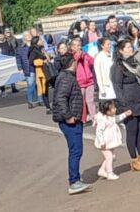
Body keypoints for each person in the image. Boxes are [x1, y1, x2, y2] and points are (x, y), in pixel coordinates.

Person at [112, 39, 140, 171]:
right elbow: (117, 87)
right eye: (127, 47)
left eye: (131, 47)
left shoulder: (136, 62)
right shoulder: (118, 66)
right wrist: (124, 106)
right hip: (128, 101)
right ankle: (134, 159)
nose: (130, 49)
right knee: (132, 131)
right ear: (121, 51)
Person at [51, 52, 89, 195]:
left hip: (72, 118)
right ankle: (74, 181)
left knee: (76, 150)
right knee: (75, 150)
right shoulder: (66, 78)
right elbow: (61, 98)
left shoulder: (65, 77)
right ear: (72, 64)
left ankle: (75, 179)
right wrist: (68, 116)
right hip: (69, 120)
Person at [93, 100, 132, 181]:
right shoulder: (102, 120)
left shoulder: (111, 117)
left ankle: (102, 170)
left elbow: (117, 119)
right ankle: (110, 173)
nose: (115, 109)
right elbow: (99, 132)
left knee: (111, 156)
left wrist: (125, 114)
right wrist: (102, 142)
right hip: (104, 143)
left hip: (110, 141)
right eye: (113, 108)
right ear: (107, 111)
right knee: (109, 156)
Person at [70, 37, 96, 124]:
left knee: (90, 101)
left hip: (89, 81)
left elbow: (92, 61)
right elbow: (74, 67)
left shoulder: (85, 55)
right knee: (82, 102)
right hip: (80, 82)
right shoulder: (71, 56)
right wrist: (78, 56)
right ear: (72, 47)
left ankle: (94, 118)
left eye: (79, 45)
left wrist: (89, 57)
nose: (79, 47)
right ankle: (82, 118)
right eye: (76, 45)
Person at [30, 37, 52, 113]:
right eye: (40, 40)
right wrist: (42, 61)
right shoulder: (33, 50)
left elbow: (46, 58)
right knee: (44, 90)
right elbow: (31, 61)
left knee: (48, 89)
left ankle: (49, 106)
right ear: (36, 42)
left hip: (47, 70)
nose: (42, 41)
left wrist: (49, 56)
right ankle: (48, 108)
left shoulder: (41, 49)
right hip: (41, 73)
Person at [17, 31, 36, 109]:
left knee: (39, 85)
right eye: (26, 35)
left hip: (38, 67)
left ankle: (41, 100)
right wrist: (20, 68)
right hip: (28, 68)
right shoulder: (21, 48)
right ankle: (30, 101)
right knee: (31, 85)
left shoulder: (35, 45)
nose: (28, 36)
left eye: (29, 35)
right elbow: (18, 58)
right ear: (24, 38)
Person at [94, 37, 116, 101]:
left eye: (110, 44)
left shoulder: (112, 55)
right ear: (102, 46)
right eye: (108, 44)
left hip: (114, 83)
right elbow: (98, 75)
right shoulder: (99, 58)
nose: (110, 46)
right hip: (106, 86)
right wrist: (102, 89)